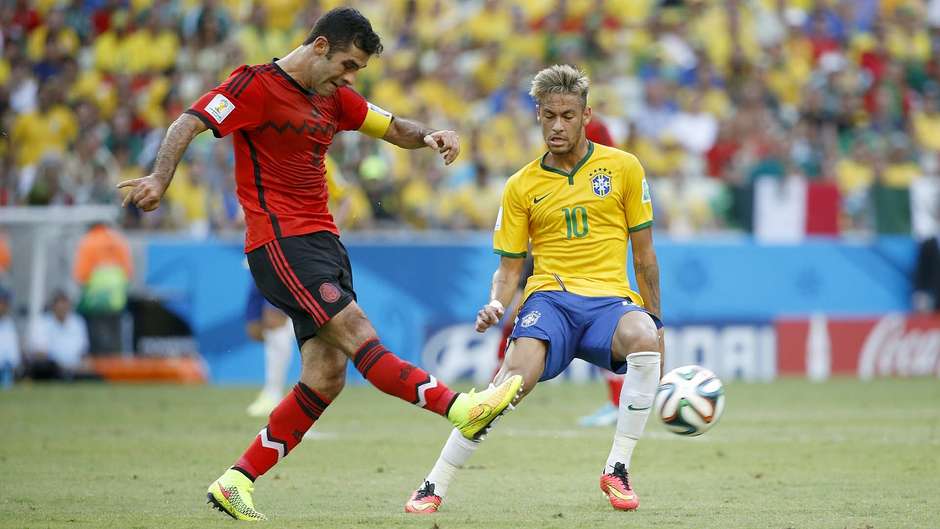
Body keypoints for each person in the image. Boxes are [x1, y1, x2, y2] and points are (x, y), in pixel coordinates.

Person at [117, 7, 522, 521]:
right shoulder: (255, 86)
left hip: (325, 244)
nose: (350, 79)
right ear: (321, 47)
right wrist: (159, 178)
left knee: (326, 375)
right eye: (348, 65)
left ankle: (235, 481)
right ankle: (462, 409)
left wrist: (430, 135)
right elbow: (188, 121)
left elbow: (392, 126)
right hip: (281, 242)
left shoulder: (334, 97)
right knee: (357, 332)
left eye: (358, 72)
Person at [405, 65, 664, 514]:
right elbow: (509, 269)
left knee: (643, 339)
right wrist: (495, 304)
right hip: (551, 300)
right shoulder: (521, 185)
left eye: (567, 115)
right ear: (538, 116)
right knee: (506, 386)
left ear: (587, 115)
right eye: (549, 116)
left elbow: (644, 257)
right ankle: (434, 483)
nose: (557, 126)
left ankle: (617, 468)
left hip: (610, 303)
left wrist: (659, 325)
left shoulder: (623, 168)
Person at [72, 222, 134, 354]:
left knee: (96, 343)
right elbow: (129, 273)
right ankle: (115, 371)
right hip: (117, 301)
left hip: (95, 302)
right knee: (115, 342)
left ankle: (99, 372)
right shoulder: (119, 240)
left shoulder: (88, 242)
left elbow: (81, 275)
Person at [243, 279, 295, 417]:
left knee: (274, 319)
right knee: (254, 329)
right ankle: (271, 392)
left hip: (281, 262)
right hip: (256, 263)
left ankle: (273, 393)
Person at [25, 290, 89, 380]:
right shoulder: (42, 322)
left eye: (65, 305)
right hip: (51, 368)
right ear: (53, 307)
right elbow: (39, 353)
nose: (62, 309)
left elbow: (83, 352)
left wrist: (81, 365)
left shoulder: (78, 322)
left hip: (75, 368)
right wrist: (60, 365)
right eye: (59, 306)